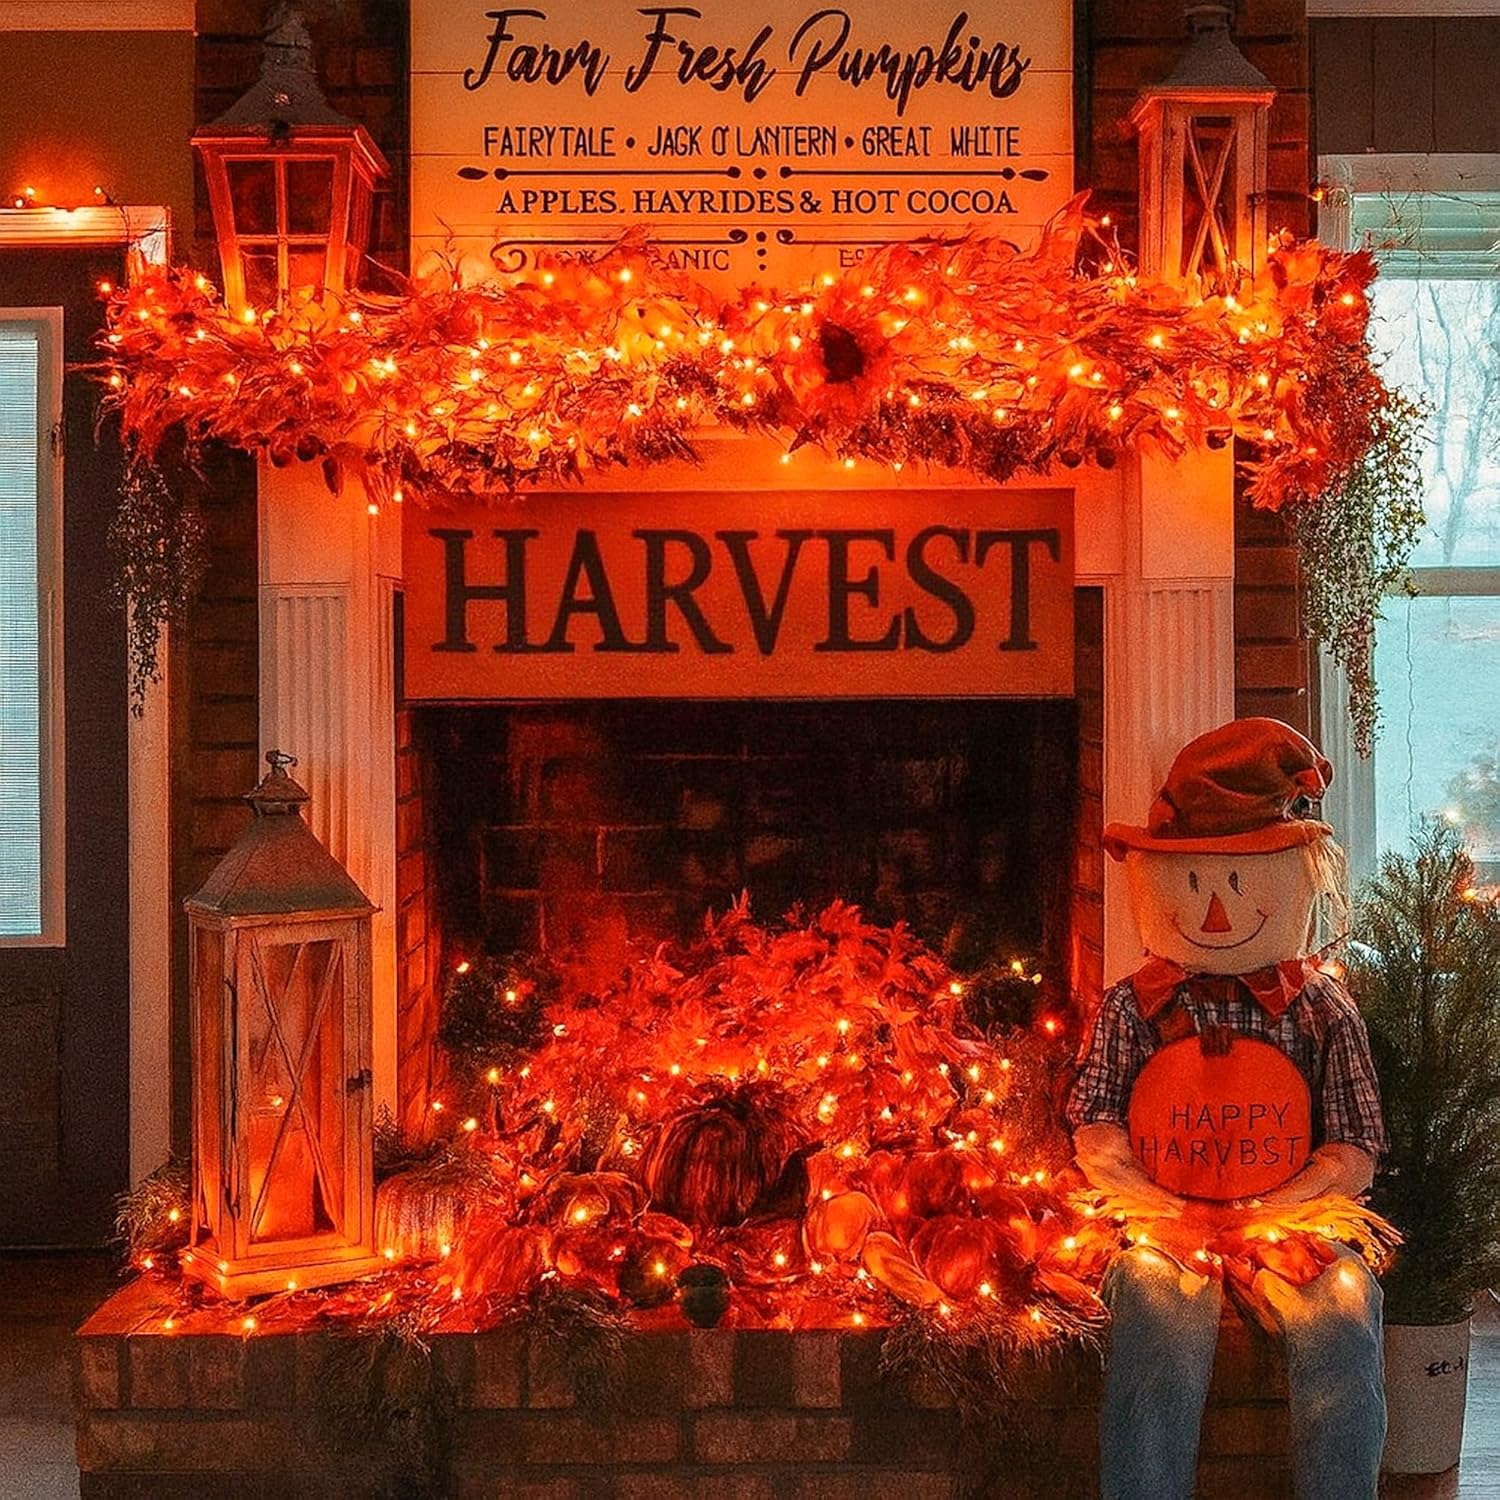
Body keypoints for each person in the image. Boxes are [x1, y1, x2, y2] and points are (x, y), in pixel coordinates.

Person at [1068, 718, 1387, 1500]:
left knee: (1344, 1307)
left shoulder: (1321, 1010)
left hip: (1291, 1217)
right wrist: (1162, 1205)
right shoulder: (1131, 1008)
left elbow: (1354, 1143)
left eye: (1239, 885)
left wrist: (1274, 1209)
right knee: (1153, 1304)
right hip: (1164, 1218)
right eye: (1194, 885)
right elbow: (1097, 1127)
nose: (1215, 913)